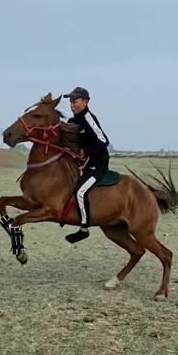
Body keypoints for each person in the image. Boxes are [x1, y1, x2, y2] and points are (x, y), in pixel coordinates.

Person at [63, 87, 110, 244]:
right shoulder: (72, 122)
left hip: (98, 165)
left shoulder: (89, 119)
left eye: (74, 101)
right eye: (70, 102)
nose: (71, 105)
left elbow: (104, 141)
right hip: (83, 164)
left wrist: (86, 151)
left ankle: (84, 228)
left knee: (80, 192)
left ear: (85, 101)